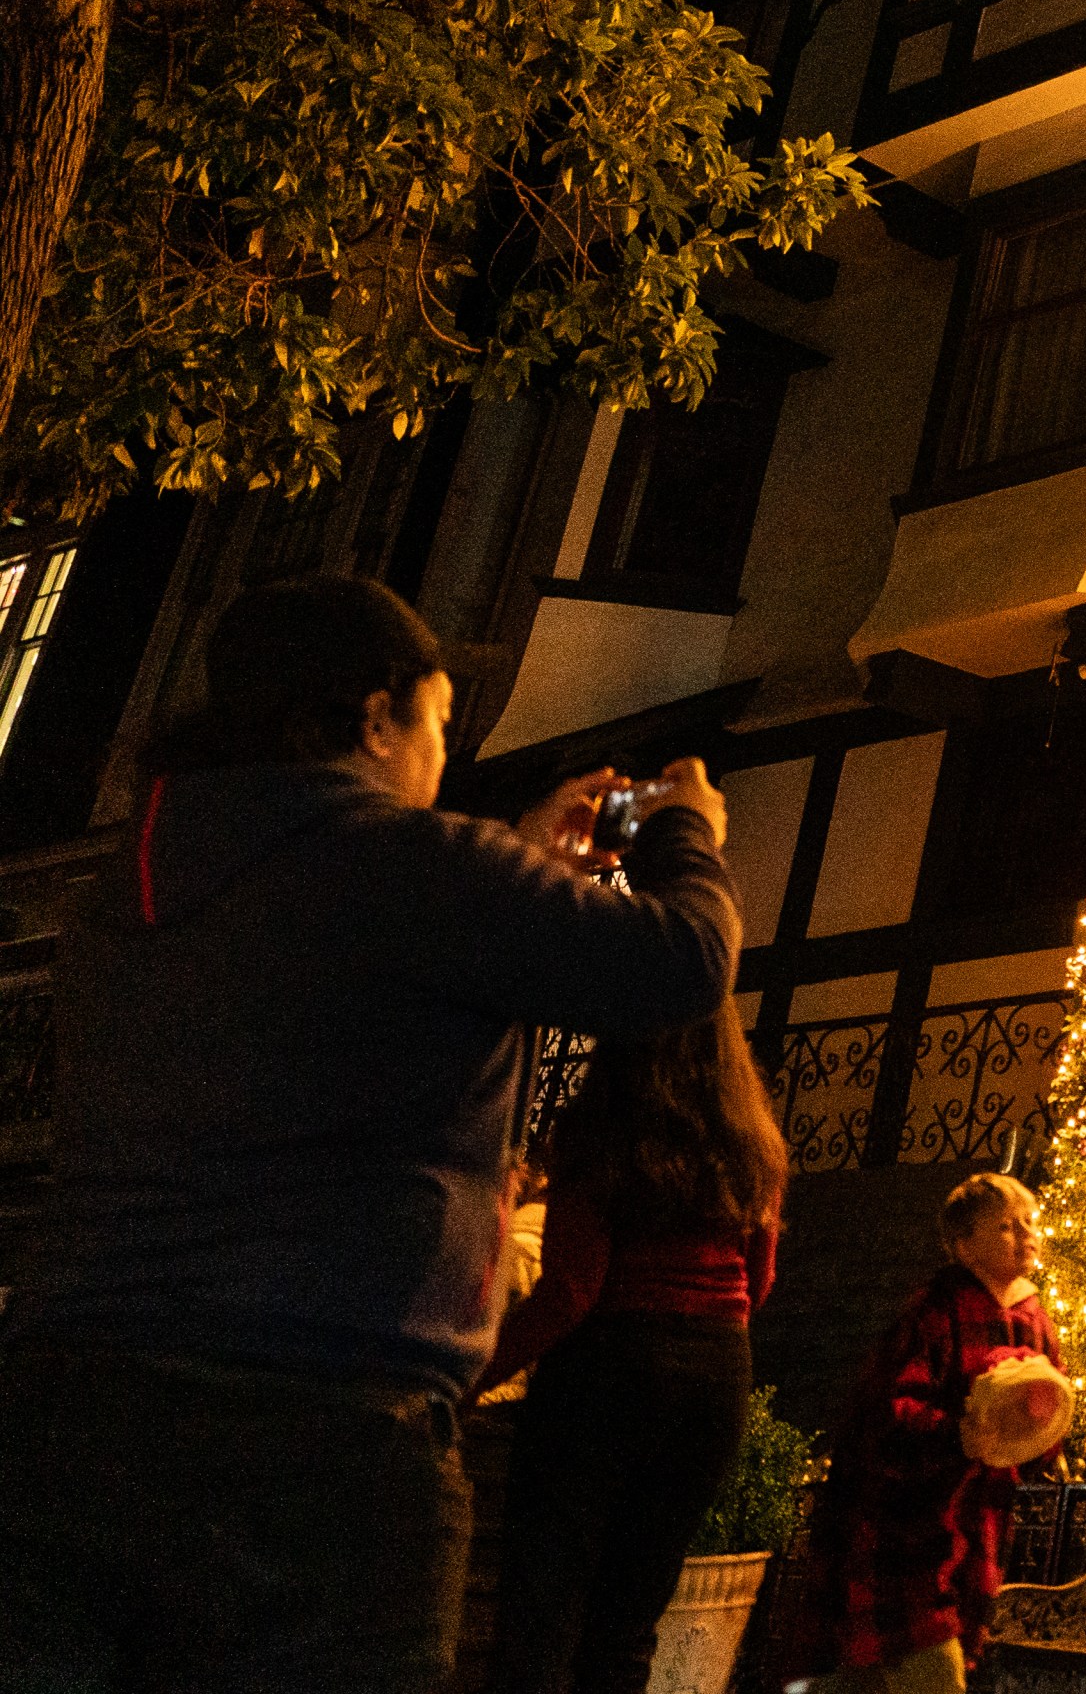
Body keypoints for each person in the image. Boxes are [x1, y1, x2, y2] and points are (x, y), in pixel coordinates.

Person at [0, 572, 739, 1694]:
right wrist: (686, 830)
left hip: (67, 1420)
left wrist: (507, 864)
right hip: (322, 1449)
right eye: (442, 720)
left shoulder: (131, 887)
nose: (443, 756)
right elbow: (677, 962)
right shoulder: (419, 867)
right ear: (375, 715)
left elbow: (344, 951)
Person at [479, 1000, 790, 1694]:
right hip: (716, 1377)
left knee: (541, 1616)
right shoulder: (755, 1143)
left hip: (608, 1369)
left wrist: (474, 1374)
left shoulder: (601, 1132)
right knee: (627, 1625)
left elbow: (571, 1290)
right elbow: (758, 1284)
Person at [782, 1173, 1070, 1694]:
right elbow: (890, 1411)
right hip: (908, 1527)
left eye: (1029, 1222)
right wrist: (955, 1433)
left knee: (874, 1676)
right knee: (930, 1667)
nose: (1026, 1233)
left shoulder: (1036, 1321)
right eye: (1006, 1226)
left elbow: (1044, 1420)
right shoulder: (937, 1310)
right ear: (965, 1246)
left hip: (975, 1525)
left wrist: (1040, 1441)